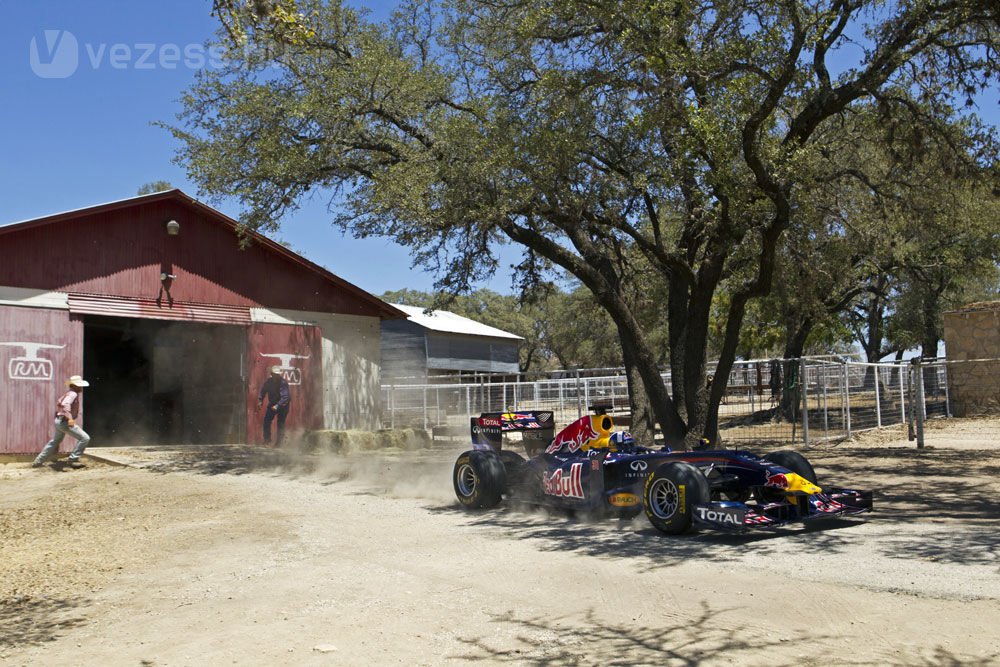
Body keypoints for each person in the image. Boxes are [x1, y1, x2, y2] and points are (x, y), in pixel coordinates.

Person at [33, 375, 92, 468]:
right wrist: (70, 418)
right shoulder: (73, 394)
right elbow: (65, 404)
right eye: (80, 385)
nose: (81, 387)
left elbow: (59, 402)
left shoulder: (68, 393)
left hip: (59, 421)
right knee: (85, 438)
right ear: (75, 385)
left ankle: (38, 461)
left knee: (55, 441)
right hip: (64, 421)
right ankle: (73, 459)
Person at [258, 365, 291, 445]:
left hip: (283, 405)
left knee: (280, 423)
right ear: (272, 374)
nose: (276, 376)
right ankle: (267, 440)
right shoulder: (268, 382)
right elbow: (263, 390)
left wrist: (277, 406)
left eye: (278, 374)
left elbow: (285, 397)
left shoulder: (283, 383)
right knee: (267, 421)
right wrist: (260, 400)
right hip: (273, 403)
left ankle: (279, 443)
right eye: (275, 374)